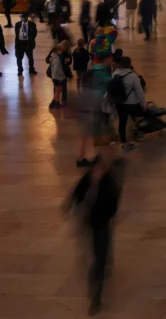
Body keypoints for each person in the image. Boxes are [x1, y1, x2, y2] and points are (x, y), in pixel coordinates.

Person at [63, 145, 123, 316]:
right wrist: (69, 206)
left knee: (100, 258)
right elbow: (77, 191)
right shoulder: (90, 178)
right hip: (90, 223)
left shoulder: (110, 183)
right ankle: (97, 279)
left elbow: (112, 207)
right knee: (96, 255)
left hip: (101, 224)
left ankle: (96, 293)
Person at [110, 56, 147, 153]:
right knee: (138, 118)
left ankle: (124, 144)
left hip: (120, 103)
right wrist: (143, 104)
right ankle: (139, 134)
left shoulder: (115, 74)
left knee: (122, 123)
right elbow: (139, 91)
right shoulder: (133, 76)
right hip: (131, 103)